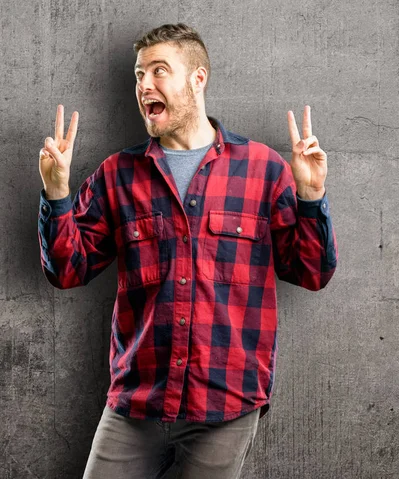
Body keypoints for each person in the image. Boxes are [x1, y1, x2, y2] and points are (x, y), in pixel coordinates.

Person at [37, 23, 337, 479]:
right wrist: (57, 194)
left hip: (224, 404)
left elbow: (312, 273)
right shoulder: (117, 174)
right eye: (139, 75)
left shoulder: (264, 169)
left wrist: (311, 197)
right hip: (136, 403)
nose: (144, 86)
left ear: (198, 79)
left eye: (160, 70)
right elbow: (67, 271)